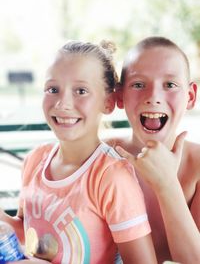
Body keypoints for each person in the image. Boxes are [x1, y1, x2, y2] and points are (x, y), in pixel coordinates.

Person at [1, 40, 157, 263]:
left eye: (81, 91)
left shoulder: (112, 177)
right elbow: (31, 233)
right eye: (53, 89)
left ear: (109, 102)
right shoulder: (35, 160)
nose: (63, 103)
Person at [111, 36, 200, 264]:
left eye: (170, 85)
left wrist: (167, 183)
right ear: (120, 96)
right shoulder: (100, 156)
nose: (153, 97)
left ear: (190, 96)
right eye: (139, 84)